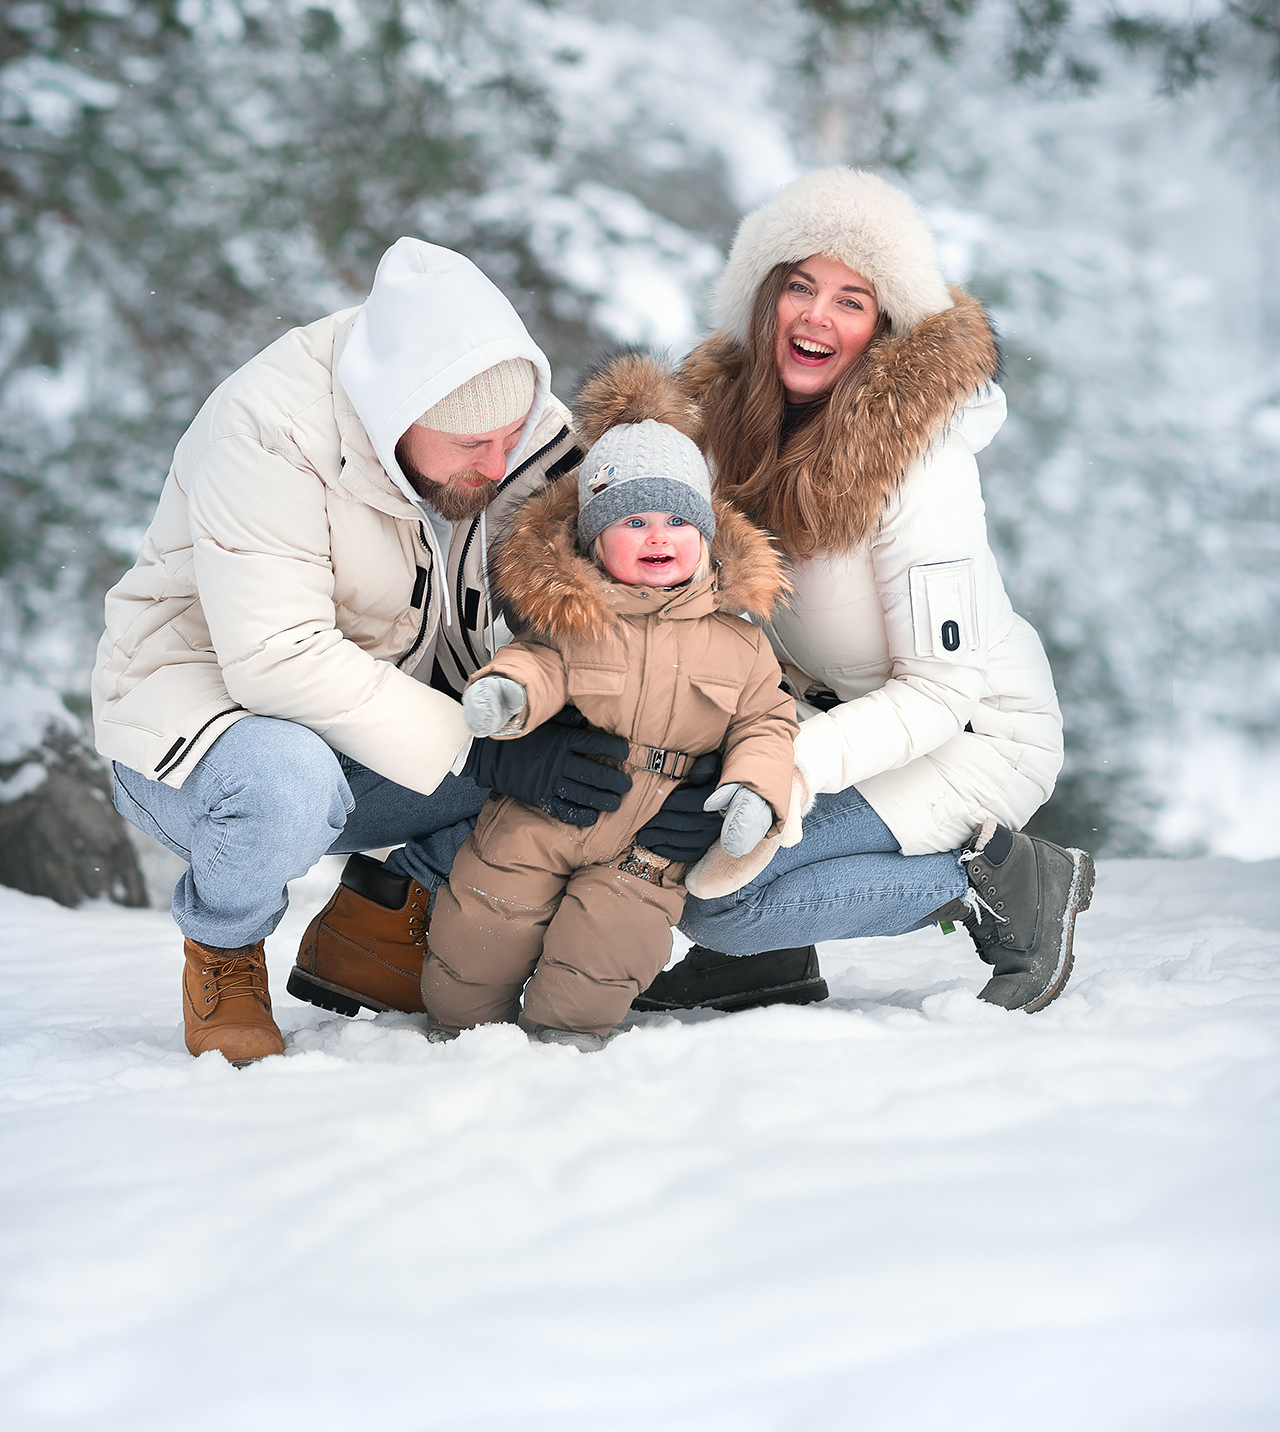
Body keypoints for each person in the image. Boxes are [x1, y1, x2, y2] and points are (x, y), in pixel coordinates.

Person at [92, 237, 642, 1062]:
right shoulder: (267, 428)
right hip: (206, 740)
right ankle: (225, 948)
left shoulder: (510, 429)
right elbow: (277, 657)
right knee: (286, 780)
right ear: (396, 417)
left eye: (510, 436)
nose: (499, 464)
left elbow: (597, 587)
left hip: (384, 729)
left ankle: (380, 922)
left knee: (596, 756)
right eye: (469, 448)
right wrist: (486, 756)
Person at [632, 167, 1093, 1018]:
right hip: (827, 713)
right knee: (661, 815)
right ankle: (765, 966)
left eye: (851, 299)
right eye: (800, 286)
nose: (816, 314)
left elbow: (940, 690)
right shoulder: (725, 429)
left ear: (882, 327)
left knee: (720, 897)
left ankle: (1006, 882)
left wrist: (784, 773)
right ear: (762, 299)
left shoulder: (922, 464)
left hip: (971, 732)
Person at [419, 356, 799, 1049]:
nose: (659, 536)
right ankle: (458, 1028)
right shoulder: (575, 613)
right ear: (595, 536)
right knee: (478, 931)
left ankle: (568, 1039)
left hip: (650, 843)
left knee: (605, 951)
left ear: (707, 535)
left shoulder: (739, 641)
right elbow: (538, 663)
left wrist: (755, 791)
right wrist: (508, 696)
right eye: (634, 521)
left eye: (678, 521)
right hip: (541, 815)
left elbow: (767, 721)